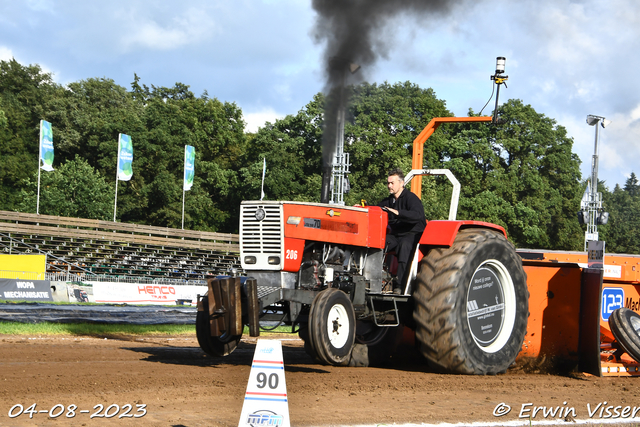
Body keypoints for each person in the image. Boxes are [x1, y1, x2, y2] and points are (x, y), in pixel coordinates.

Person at [378, 168, 426, 294]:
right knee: (380, 242)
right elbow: (377, 208)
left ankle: (400, 286)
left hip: (413, 234)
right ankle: (375, 279)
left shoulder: (411, 198)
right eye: (388, 183)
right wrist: (363, 207)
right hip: (396, 234)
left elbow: (417, 215)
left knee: (405, 246)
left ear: (402, 183)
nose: (389, 186)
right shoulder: (389, 200)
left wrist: (398, 213)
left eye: (392, 183)